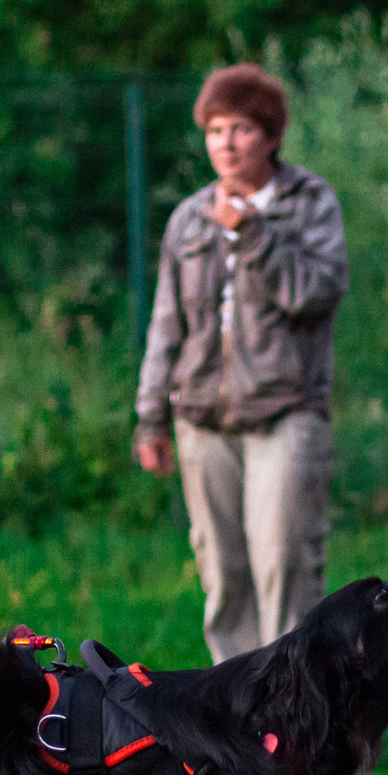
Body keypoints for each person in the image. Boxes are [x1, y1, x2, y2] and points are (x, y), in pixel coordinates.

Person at [135, 64, 349, 662]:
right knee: (223, 578)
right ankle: (234, 721)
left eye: (242, 129)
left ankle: (297, 719)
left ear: (272, 137)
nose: (226, 143)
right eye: (215, 130)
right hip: (202, 422)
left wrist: (254, 236)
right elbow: (166, 324)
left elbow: (316, 293)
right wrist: (150, 418)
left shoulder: (311, 203)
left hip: (286, 416)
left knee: (285, 567)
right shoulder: (188, 217)